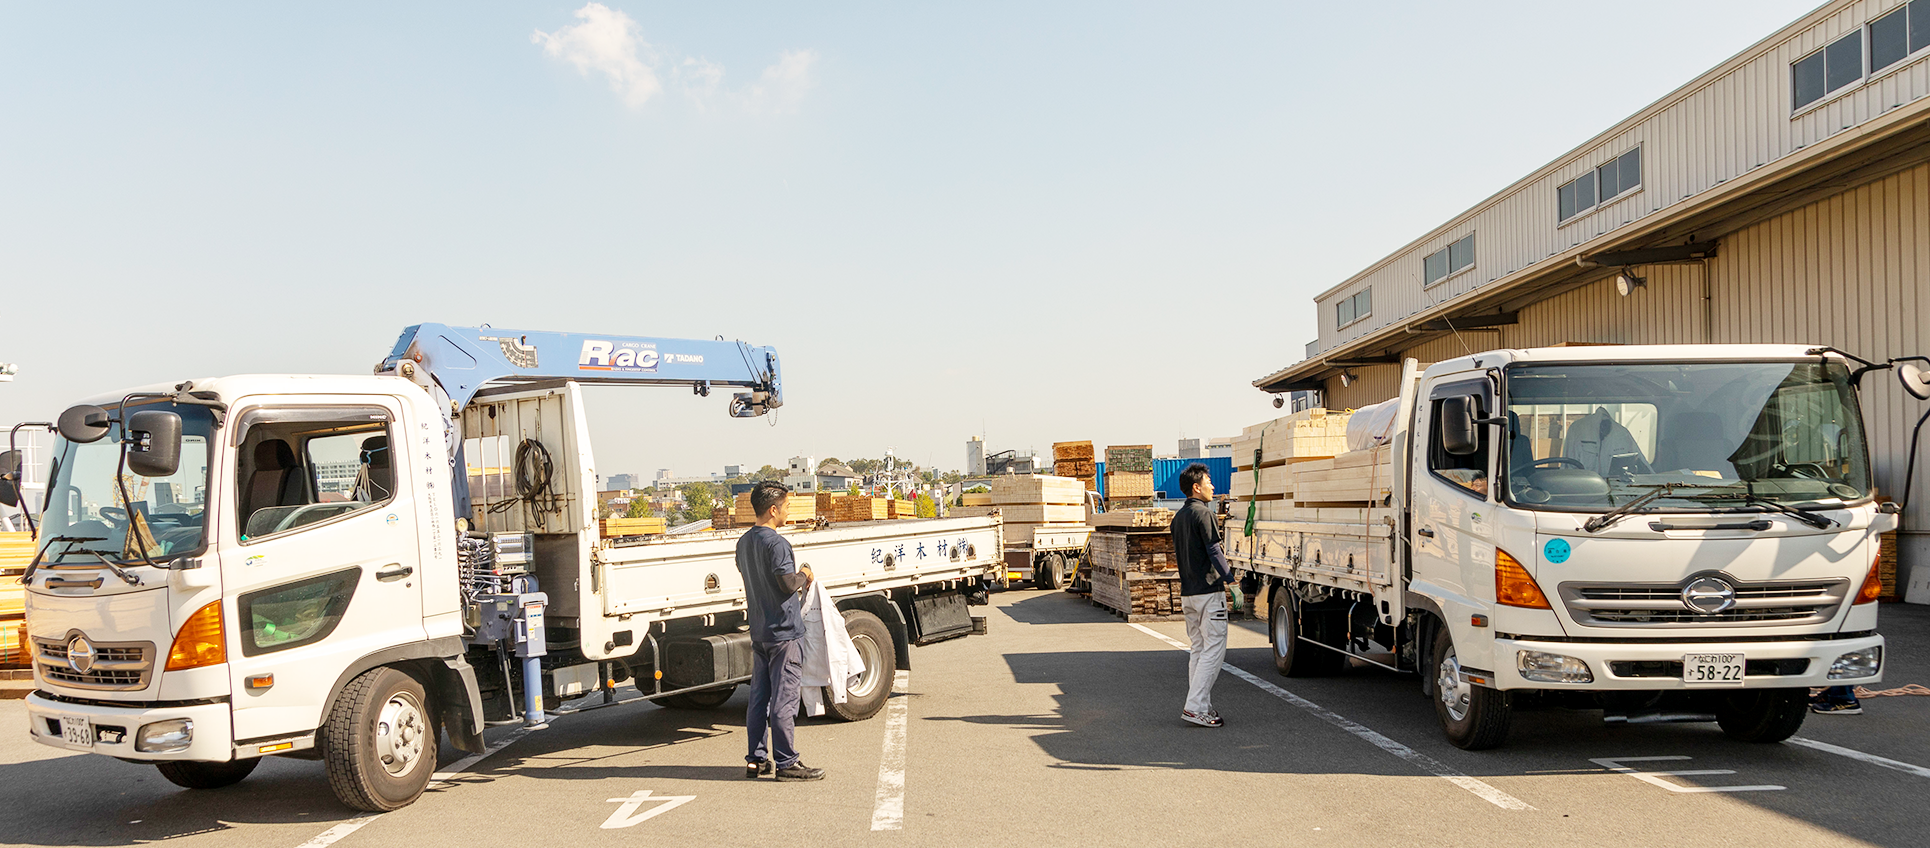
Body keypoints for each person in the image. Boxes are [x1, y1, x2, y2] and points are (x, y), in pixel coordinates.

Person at [736, 481, 825, 781]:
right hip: (784, 634)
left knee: (759, 699)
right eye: (786, 507)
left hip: (760, 632)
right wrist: (806, 574)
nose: (788, 512)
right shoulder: (777, 544)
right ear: (773, 510)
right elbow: (787, 584)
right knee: (785, 700)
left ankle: (756, 760)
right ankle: (787, 762)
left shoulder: (744, 543)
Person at [1171, 463, 1239, 728]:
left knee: (1198, 649)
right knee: (1213, 649)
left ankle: (1202, 705)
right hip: (1209, 592)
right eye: (1209, 482)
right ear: (1196, 487)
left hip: (1189, 593)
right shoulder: (1204, 514)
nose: (1213, 486)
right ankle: (1195, 707)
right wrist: (1231, 581)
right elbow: (1214, 551)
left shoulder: (1178, 518)